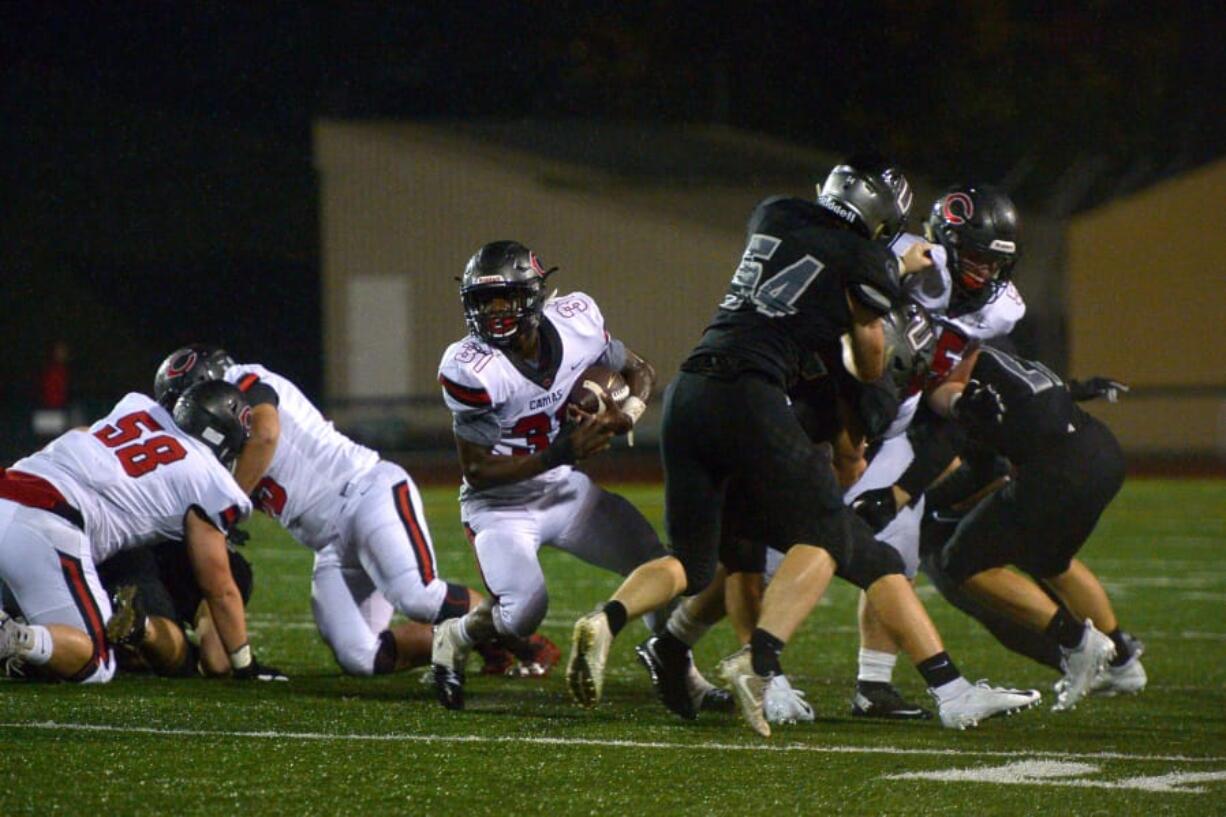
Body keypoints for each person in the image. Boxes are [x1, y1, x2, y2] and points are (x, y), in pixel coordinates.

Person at [566, 154, 1040, 736]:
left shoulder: (774, 213)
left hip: (690, 391)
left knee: (695, 561)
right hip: (752, 395)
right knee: (855, 550)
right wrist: (885, 302)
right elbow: (870, 363)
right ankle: (800, 669)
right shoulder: (867, 262)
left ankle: (609, 619)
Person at [432, 240, 730, 712]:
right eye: (482, 302)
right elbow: (478, 470)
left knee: (658, 566)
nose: (493, 313)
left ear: (531, 295)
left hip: (565, 493)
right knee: (523, 614)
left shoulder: (577, 321)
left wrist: (626, 416)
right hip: (501, 507)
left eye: (504, 299)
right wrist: (560, 452)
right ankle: (456, 635)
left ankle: (679, 670)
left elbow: (638, 371)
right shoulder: (471, 368)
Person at [152, 346, 502, 681]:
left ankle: (513, 634)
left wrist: (229, 504)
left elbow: (266, 435)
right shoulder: (219, 435)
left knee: (418, 595)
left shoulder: (245, 380)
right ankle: (461, 641)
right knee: (359, 656)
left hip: (365, 493)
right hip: (329, 544)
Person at [842, 184, 1027, 720]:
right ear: (946, 241)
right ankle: (720, 653)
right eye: (974, 258)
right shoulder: (906, 259)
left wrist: (965, 405)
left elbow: (949, 383)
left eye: (994, 263)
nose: (984, 273)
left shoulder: (996, 310)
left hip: (899, 424)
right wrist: (894, 271)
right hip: (843, 414)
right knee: (774, 549)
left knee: (895, 555)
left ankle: (872, 686)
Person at [0, 380, 274, 682]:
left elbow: (79, 436)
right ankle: (12, 637)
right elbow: (218, 587)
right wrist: (245, 665)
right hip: (49, 522)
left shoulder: (138, 408)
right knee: (95, 662)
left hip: (11, 485)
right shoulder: (210, 481)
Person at [922, 342, 1144, 709]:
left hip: (1059, 471)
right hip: (1102, 453)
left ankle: (1077, 644)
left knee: (962, 562)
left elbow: (983, 469)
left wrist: (920, 501)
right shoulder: (1003, 361)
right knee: (1050, 561)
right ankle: (1122, 662)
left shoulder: (973, 390)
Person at [101, 538, 279, 678]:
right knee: (179, 660)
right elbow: (217, 663)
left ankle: (127, 624)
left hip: (123, 544)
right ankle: (143, 627)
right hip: (200, 550)